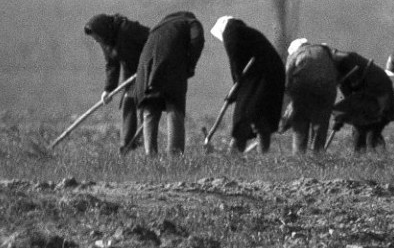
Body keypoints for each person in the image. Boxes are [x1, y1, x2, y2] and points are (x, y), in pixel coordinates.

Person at [132, 11, 204, 155]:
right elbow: (197, 40)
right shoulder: (191, 22)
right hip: (171, 67)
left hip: (146, 69)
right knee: (174, 107)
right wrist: (190, 65)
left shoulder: (159, 27)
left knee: (150, 109)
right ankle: (174, 155)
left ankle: (150, 155)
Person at [210, 16, 285, 154]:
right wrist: (237, 89)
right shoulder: (243, 32)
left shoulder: (231, 31)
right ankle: (263, 155)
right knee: (262, 116)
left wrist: (236, 88)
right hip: (272, 74)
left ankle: (234, 155)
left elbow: (235, 63)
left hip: (262, 76)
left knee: (243, 114)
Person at [84, 13, 149, 152]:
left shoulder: (128, 30)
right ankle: (126, 144)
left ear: (103, 30)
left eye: (96, 37)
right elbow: (112, 64)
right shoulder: (106, 40)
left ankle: (146, 141)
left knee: (145, 104)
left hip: (147, 68)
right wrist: (108, 89)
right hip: (130, 72)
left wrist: (148, 65)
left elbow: (151, 42)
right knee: (128, 102)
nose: (96, 40)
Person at [327, 46, 394, 153]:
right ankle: (360, 157)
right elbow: (349, 98)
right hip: (365, 99)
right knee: (358, 131)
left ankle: (377, 158)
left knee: (371, 134)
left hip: (377, 97)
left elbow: (353, 96)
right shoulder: (342, 73)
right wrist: (341, 117)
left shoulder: (349, 60)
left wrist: (341, 116)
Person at [282, 38, 338, 154]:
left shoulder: (295, 55)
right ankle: (317, 156)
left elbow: (286, 81)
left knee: (300, 125)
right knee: (320, 126)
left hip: (304, 91)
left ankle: (299, 157)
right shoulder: (324, 51)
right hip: (327, 92)